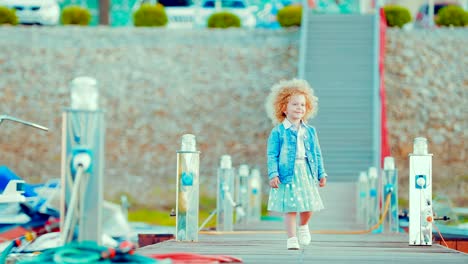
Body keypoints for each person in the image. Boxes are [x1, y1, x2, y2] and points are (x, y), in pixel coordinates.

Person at [265, 78, 327, 250]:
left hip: (306, 171)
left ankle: (303, 226)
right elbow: (272, 155)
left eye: (303, 105)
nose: (300, 108)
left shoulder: (310, 131)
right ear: (284, 108)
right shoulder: (278, 131)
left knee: (309, 205)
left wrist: (322, 173)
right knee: (291, 207)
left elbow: (317, 153)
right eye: (295, 104)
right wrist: (273, 174)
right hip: (287, 174)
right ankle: (291, 238)